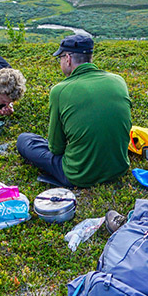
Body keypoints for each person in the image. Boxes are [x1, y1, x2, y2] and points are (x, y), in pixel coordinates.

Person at [17, 34, 131, 187]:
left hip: (79, 175)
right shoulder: (118, 80)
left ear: (68, 59)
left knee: (24, 140)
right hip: (119, 168)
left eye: (61, 58)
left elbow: (56, 148)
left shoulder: (60, 91)